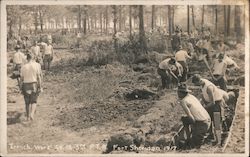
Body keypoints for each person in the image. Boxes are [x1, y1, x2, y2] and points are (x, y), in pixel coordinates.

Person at [192, 74, 224, 145]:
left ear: (199, 81)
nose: (197, 86)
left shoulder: (209, 87)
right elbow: (203, 95)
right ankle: (211, 136)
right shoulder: (202, 84)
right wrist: (200, 102)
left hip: (216, 105)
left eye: (196, 84)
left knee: (217, 123)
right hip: (209, 105)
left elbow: (213, 102)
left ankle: (218, 141)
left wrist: (203, 108)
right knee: (209, 120)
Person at [177, 83, 211, 149]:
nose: (177, 94)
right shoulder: (191, 96)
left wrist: (191, 126)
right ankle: (190, 137)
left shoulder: (183, 101)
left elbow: (192, 119)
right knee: (185, 119)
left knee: (193, 146)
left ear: (181, 93)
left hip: (202, 124)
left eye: (178, 92)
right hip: (208, 120)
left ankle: (190, 138)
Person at [20, 52, 43, 121]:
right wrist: (40, 86)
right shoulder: (36, 65)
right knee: (34, 101)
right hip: (34, 84)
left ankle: (27, 117)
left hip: (26, 84)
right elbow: (39, 77)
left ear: (27, 58)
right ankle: (32, 114)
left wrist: (21, 88)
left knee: (27, 102)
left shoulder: (23, 67)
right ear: (33, 58)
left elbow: (21, 79)